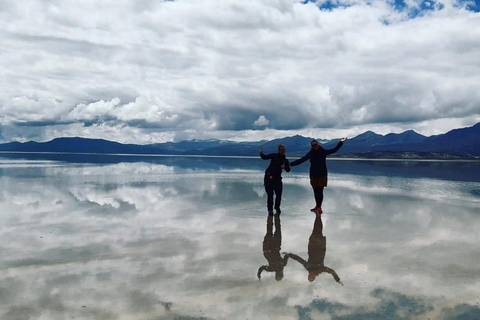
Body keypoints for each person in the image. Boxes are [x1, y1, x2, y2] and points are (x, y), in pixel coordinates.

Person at [290, 137, 347, 214]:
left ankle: (319, 207)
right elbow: (302, 159)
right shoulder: (311, 153)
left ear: (317, 144)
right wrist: (290, 164)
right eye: (313, 146)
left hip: (322, 174)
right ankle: (317, 206)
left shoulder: (323, 152)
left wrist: (341, 142)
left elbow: (334, 150)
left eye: (315, 145)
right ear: (311, 146)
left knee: (320, 191)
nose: (314, 146)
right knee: (315, 191)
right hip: (313, 174)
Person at [286, 214, 342, 284]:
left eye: (309, 276)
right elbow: (331, 271)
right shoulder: (320, 270)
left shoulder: (308, 267)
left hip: (312, 246)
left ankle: (318, 216)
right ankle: (318, 216)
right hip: (320, 247)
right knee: (319, 231)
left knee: (315, 230)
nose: (310, 275)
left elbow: (299, 259)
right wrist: (337, 280)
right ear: (315, 277)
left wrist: (289, 255)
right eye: (311, 277)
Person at [260, 144, 290, 215]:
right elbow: (265, 157)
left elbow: (288, 170)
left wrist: (284, 167)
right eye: (281, 150)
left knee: (279, 195)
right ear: (278, 150)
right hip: (268, 177)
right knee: (270, 195)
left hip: (278, 179)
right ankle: (270, 209)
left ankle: (277, 207)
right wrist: (261, 153)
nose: (283, 151)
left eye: (283, 149)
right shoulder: (274, 155)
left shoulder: (285, 160)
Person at [257, 215, 289, 281]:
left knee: (277, 230)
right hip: (269, 248)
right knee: (270, 230)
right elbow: (261, 268)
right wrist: (259, 275)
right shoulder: (271, 269)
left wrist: (286, 254)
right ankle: (271, 215)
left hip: (274, 247)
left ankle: (276, 216)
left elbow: (286, 255)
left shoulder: (283, 264)